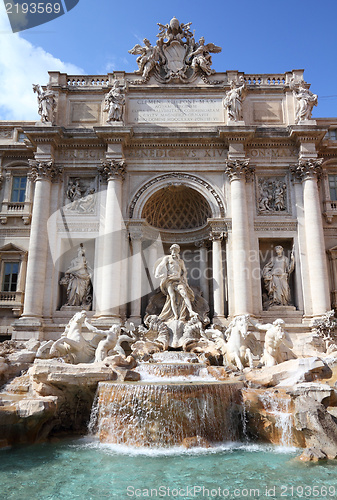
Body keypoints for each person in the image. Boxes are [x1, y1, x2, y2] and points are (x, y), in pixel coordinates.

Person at [154, 244, 197, 322]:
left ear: (178, 251)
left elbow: (184, 271)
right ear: (171, 250)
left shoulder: (180, 261)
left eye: (176, 250)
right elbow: (160, 266)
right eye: (173, 250)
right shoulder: (167, 258)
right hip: (169, 280)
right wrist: (157, 273)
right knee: (172, 297)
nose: (174, 251)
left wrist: (184, 278)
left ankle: (190, 311)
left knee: (184, 294)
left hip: (178, 280)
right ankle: (176, 315)